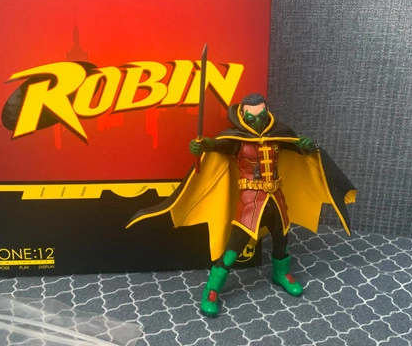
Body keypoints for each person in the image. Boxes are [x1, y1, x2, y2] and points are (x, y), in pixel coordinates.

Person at [129, 93, 356, 316]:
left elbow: (297, 146)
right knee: (232, 251)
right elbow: (218, 145)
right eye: (251, 118)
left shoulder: (278, 135)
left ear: (267, 113)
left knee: (282, 241)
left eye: (261, 116)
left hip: (276, 200)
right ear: (242, 117)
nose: (257, 121)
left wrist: (306, 145)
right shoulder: (236, 140)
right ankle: (212, 289)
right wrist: (204, 145)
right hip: (250, 204)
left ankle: (281, 273)